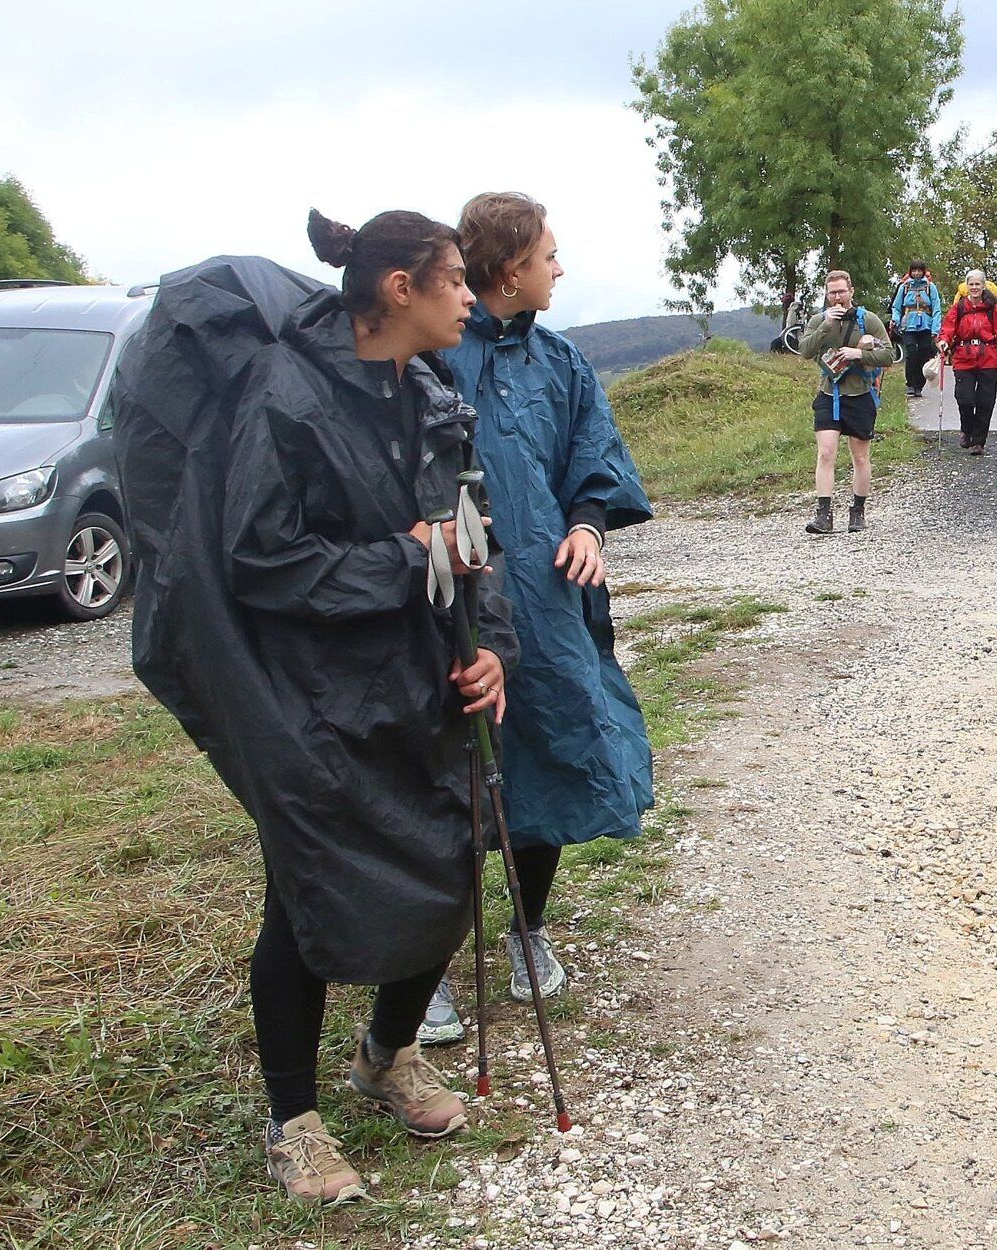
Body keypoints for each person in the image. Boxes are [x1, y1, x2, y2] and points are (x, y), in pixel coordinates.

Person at [113, 210, 519, 1205]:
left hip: (421, 671)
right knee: (306, 885)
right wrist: (407, 556)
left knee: (447, 853)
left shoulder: (427, 394)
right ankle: (291, 1121)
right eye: (456, 280)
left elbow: (472, 531)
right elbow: (261, 558)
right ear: (398, 288)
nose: (471, 296)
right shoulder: (284, 397)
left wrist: (495, 648)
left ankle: (385, 1058)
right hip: (306, 689)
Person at [422, 192, 655, 1045]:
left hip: (550, 601)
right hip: (448, 601)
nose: (560, 268)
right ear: (509, 269)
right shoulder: (435, 360)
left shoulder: (561, 362)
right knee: (446, 769)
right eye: (548, 256)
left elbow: (593, 457)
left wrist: (589, 524)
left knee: (552, 744)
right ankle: (426, 968)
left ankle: (528, 931)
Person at [797, 269, 897, 534]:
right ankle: (823, 514)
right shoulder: (819, 320)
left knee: (860, 457)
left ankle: (858, 511)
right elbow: (805, 351)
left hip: (860, 395)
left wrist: (858, 354)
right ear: (827, 294)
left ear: (851, 291)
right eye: (832, 293)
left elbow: (889, 355)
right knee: (826, 452)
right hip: (829, 394)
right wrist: (825, 326)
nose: (838, 297)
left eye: (842, 291)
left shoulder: (869, 320)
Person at [937, 268, 997, 455]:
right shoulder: (959, 307)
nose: (974, 287)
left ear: (983, 286)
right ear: (967, 286)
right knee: (964, 399)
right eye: (971, 284)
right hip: (963, 358)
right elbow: (948, 328)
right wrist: (944, 341)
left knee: (985, 402)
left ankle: (978, 442)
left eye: (977, 284)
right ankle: (967, 430)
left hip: (988, 358)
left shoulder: (993, 308)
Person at [889, 261, 942, 397]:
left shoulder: (930, 287)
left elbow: (936, 309)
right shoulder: (904, 287)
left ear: (923, 272)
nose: (917, 273)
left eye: (919, 271)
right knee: (911, 351)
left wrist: (935, 329)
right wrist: (895, 319)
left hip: (926, 325)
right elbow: (896, 306)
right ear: (911, 272)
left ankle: (919, 384)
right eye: (914, 271)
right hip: (908, 324)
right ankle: (910, 384)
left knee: (924, 353)